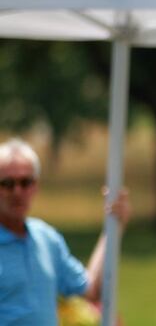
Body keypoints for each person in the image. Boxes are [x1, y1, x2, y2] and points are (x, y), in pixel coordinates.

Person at [0, 138, 132, 325]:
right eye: (7, 183)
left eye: (25, 182)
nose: (17, 191)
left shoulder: (47, 239)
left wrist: (114, 227)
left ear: (36, 186)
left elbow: (91, 289)